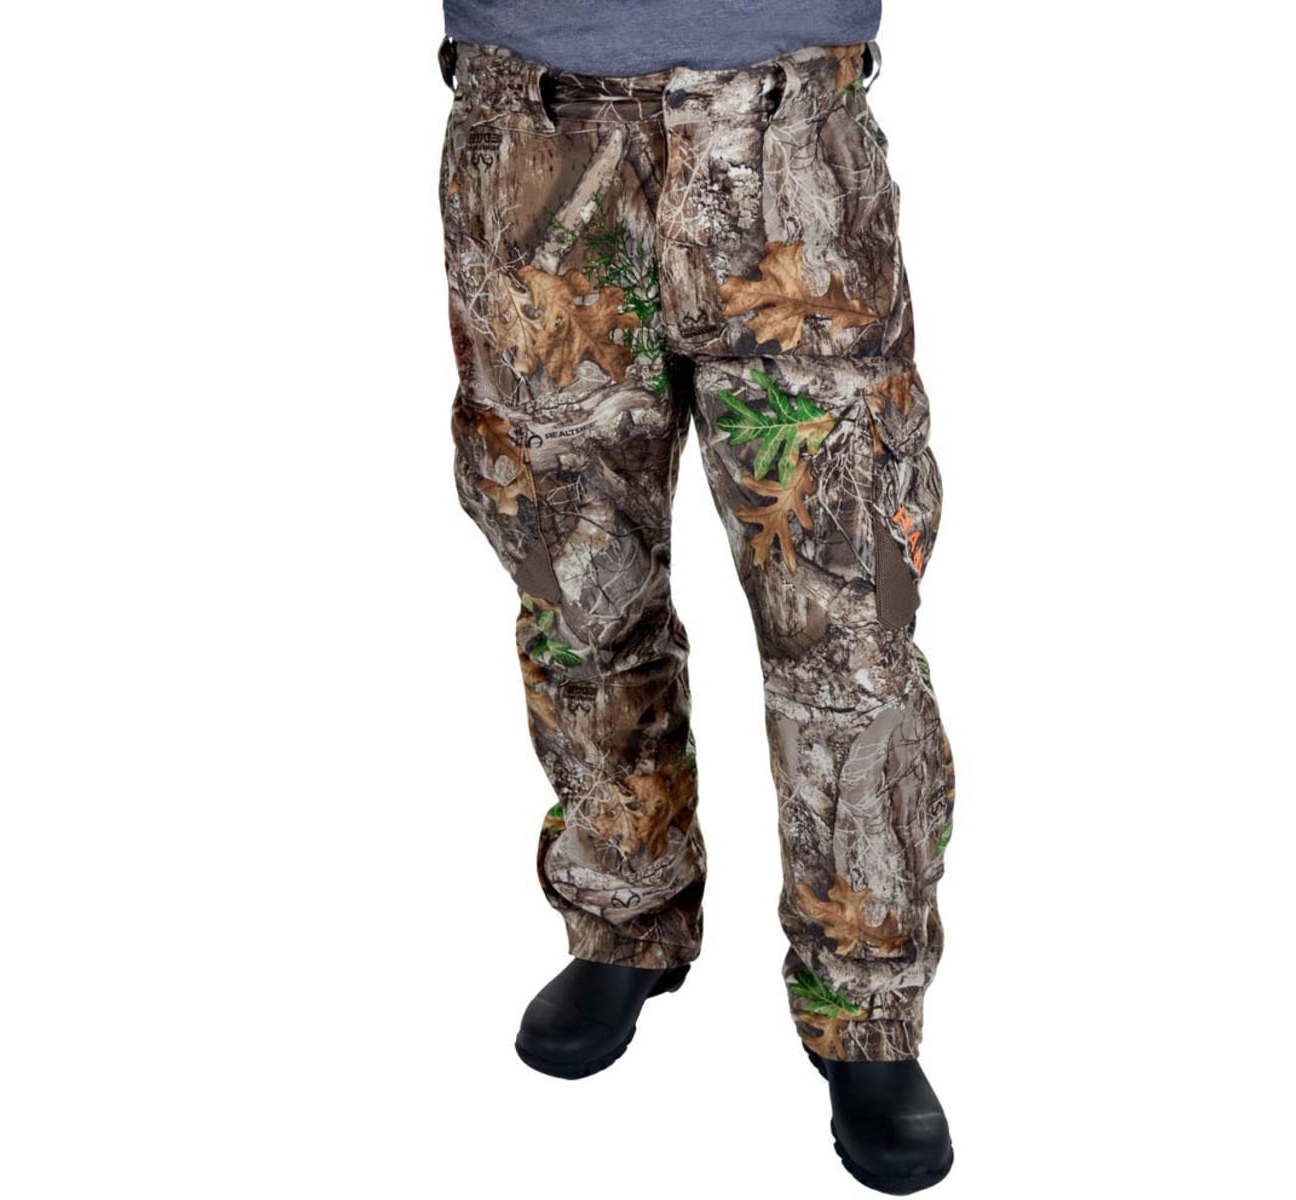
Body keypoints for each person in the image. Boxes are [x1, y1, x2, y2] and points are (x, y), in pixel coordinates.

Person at [437, 2, 957, 1191]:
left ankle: (867, 1008)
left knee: (851, 622)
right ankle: (626, 914)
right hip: (532, 136)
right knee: (578, 590)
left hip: (787, 142)